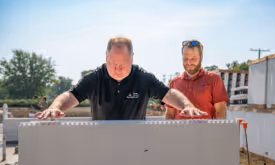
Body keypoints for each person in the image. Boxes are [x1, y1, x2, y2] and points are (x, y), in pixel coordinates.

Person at [35, 37, 208, 120]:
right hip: (101, 144)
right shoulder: (95, 78)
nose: (118, 69)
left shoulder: (143, 78)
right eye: (113, 63)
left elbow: (169, 94)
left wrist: (187, 105)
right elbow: (70, 96)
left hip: (136, 145)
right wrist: (55, 106)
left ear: (132, 59)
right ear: (106, 58)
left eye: (123, 64)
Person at [165, 40, 229, 119]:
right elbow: (170, 114)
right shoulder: (174, 83)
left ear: (201, 57)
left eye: (193, 58)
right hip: (179, 131)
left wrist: (218, 131)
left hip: (206, 130)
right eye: (186, 58)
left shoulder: (214, 79)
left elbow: (220, 111)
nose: (189, 62)